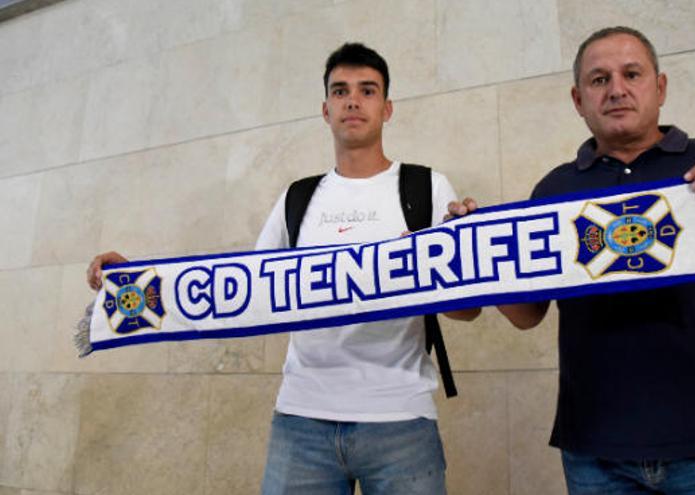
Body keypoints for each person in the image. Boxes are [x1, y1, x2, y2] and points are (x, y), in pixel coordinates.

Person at [88, 42, 478, 495]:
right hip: (301, 423)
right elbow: (243, 293)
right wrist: (138, 282)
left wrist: (466, 255)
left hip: (401, 421)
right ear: (325, 109)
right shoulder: (298, 197)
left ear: (387, 108)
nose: (353, 100)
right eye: (341, 91)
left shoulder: (427, 186)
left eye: (367, 90)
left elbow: (467, 312)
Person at [449, 26, 695, 494]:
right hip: (597, 453)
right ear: (578, 99)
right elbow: (526, 316)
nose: (617, 89)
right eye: (599, 79)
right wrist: (482, 248)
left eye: (632, 74)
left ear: (659, 87)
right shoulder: (555, 191)